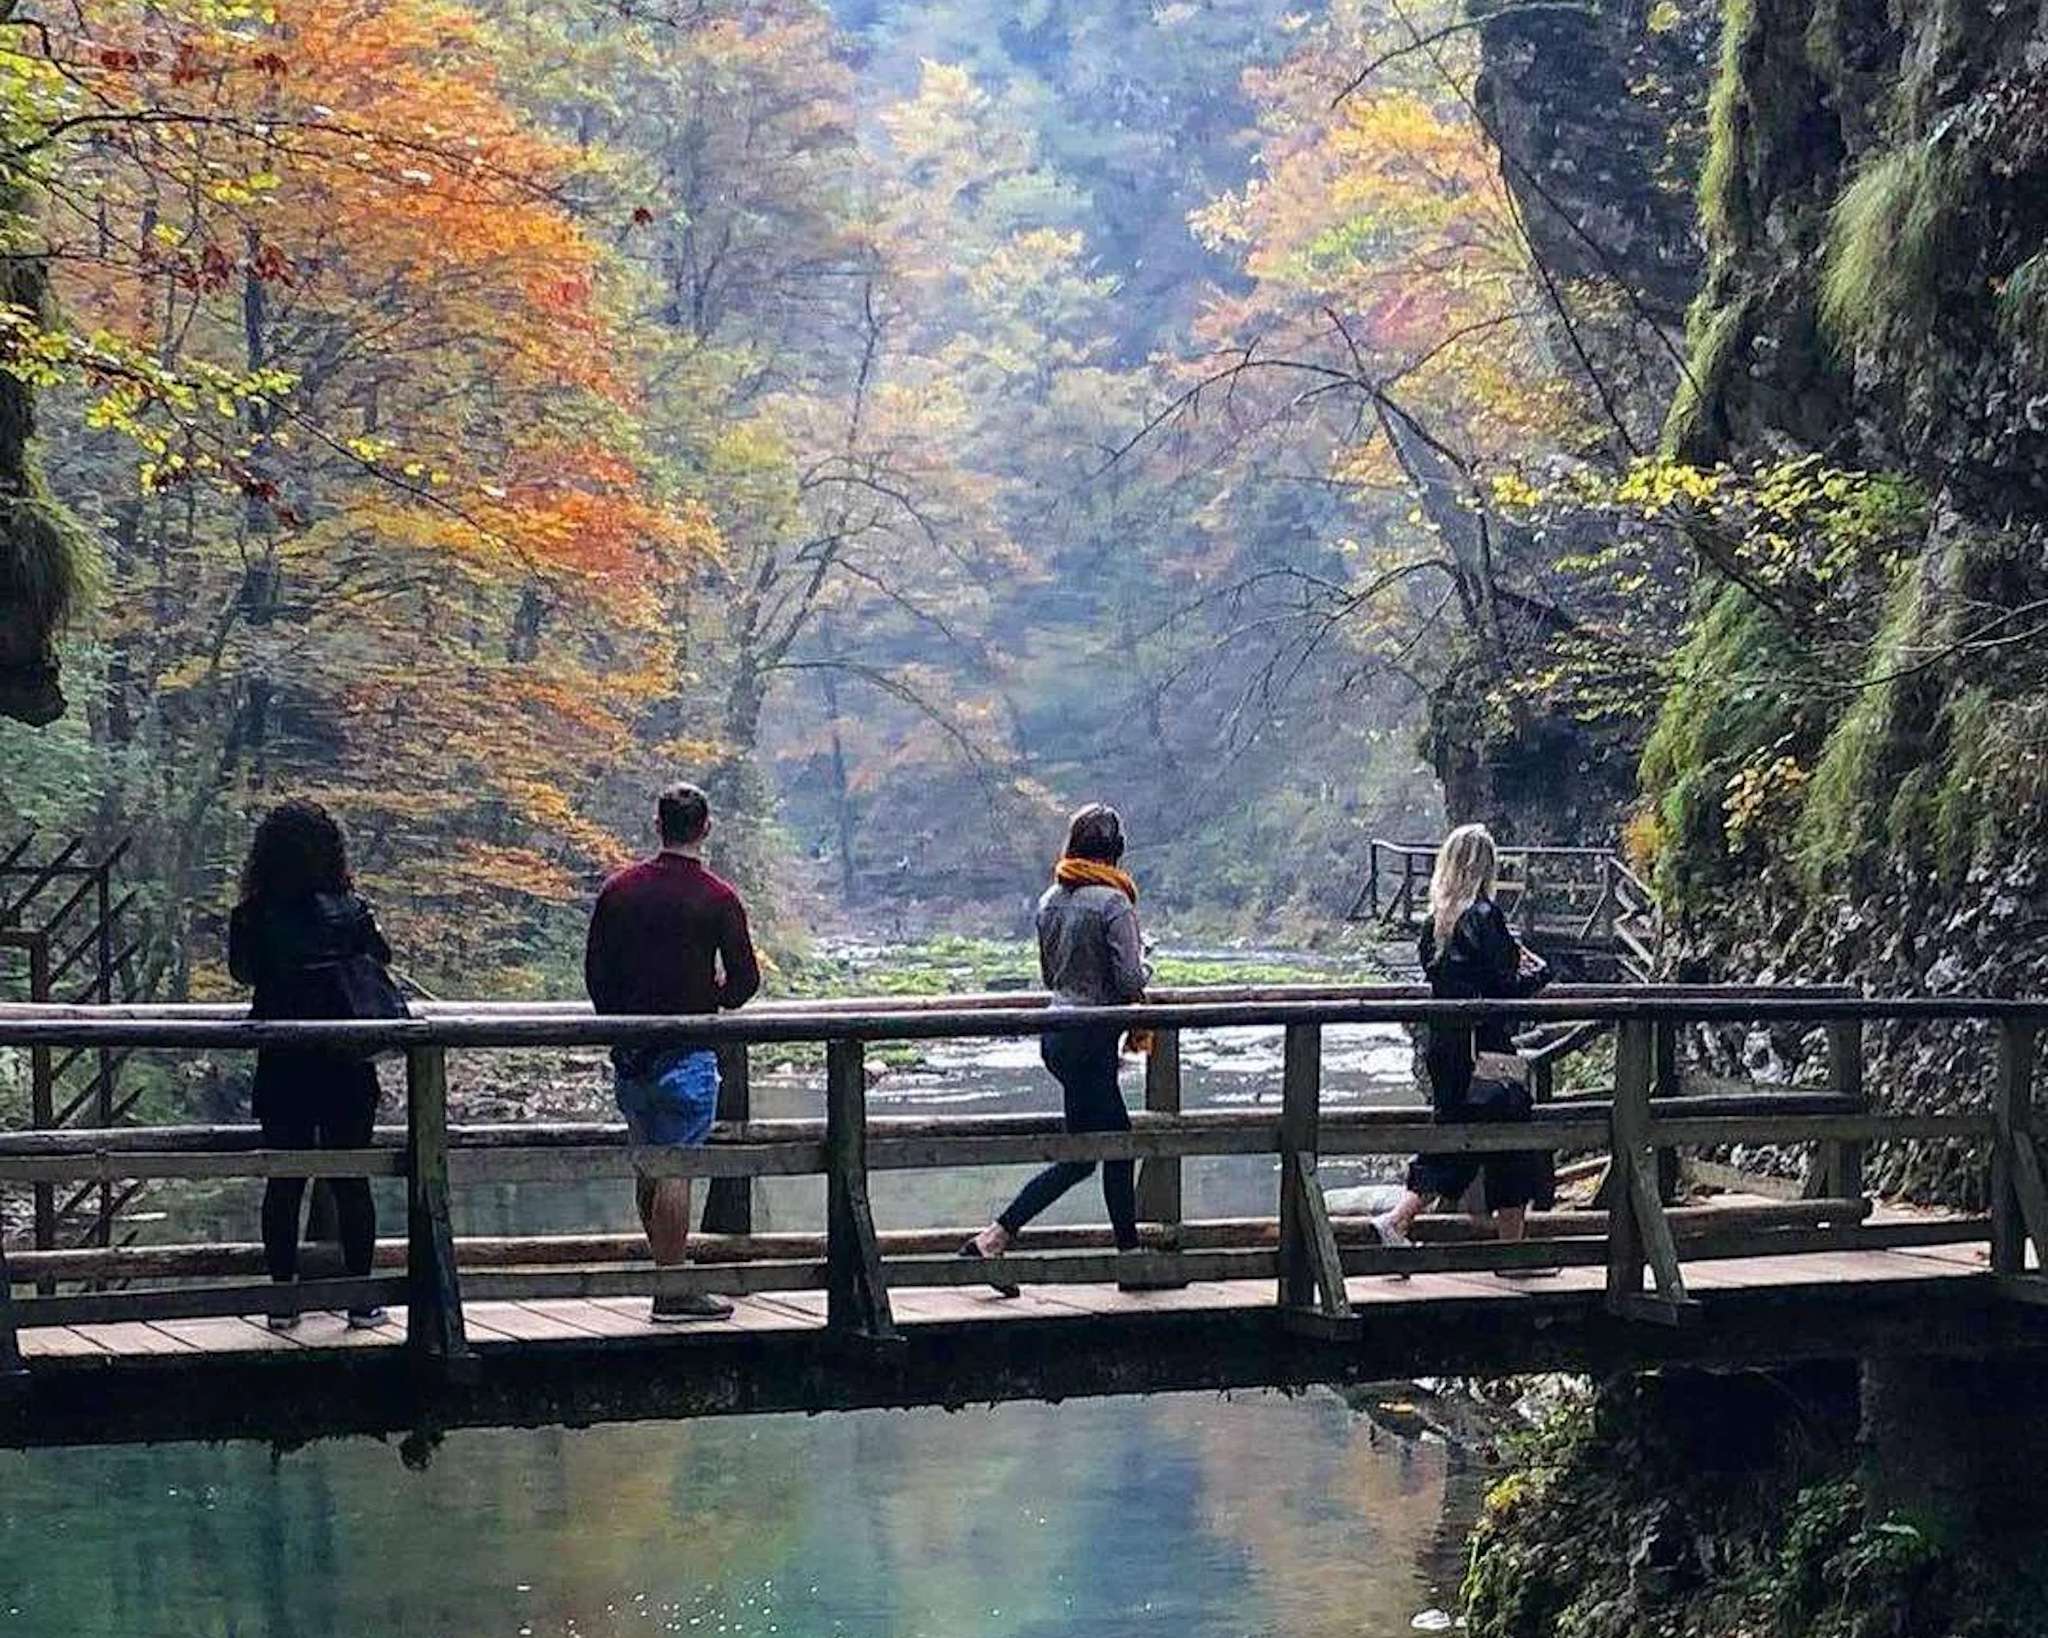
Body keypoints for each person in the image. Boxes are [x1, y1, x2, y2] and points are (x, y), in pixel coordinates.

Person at [962, 802, 1158, 1295]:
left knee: (1090, 1153)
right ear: (1115, 852)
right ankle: (1124, 1259)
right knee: (1115, 1147)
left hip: (1057, 1033)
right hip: (1092, 1039)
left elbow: (1052, 977)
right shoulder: (1114, 904)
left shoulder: (1051, 899)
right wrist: (1147, 964)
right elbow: (1130, 978)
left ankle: (998, 1239)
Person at [584, 781, 760, 1323]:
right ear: (705, 828)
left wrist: (621, 1023)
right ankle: (674, 1288)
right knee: (678, 1166)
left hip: (633, 1050)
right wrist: (713, 998)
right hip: (688, 1047)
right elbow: (746, 980)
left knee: (649, 1164)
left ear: (658, 826)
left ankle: (668, 1277)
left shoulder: (619, 891)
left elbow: (596, 975)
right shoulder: (718, 897)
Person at [228, 800, 396, 1332]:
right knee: (352, 1180)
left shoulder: (255, 914)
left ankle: (283, 1300)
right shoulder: (351, 909)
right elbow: (381, 957)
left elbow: (242, 972)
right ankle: (362, 1299)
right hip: (346, 1061)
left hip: (284, 1064)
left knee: (284, 1181)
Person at [1371, 822, 1556, 1274]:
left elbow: (1449, 979)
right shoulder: (1484, 916)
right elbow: (1503, 989)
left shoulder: (1436, 923)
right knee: (1511, 1143)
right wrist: (1539, 972)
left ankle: (1404, 1220)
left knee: (1461, 1137)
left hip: (1446, 1047)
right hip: (1485, 1049)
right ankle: (1502, 1252)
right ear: (1484, 866)